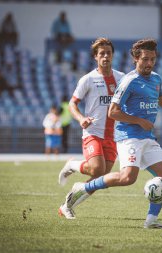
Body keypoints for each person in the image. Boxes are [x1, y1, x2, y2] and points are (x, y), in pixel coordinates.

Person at [59, 39, 162, 229]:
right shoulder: (129, 81)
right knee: (128, 178)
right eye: (145, 59)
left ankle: (151, 221)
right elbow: (112, 111)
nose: (149, 63)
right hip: (128, 136)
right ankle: (83, 187)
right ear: (135, 59)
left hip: (147, 137)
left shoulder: (156, 79)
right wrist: (139, 121)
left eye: (152, 59)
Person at [57, 38, 125, 217]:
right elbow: (72, 104)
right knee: (96, 169)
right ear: (95, 56)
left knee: (100, 179)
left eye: (108, 53)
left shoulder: (122, 78)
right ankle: (72, 164)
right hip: (92, 132)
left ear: (112, 55)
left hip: (113, 135)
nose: (105, 56)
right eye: (101, 53)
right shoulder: (88, 79)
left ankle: (67, 206)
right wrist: (80, 118)